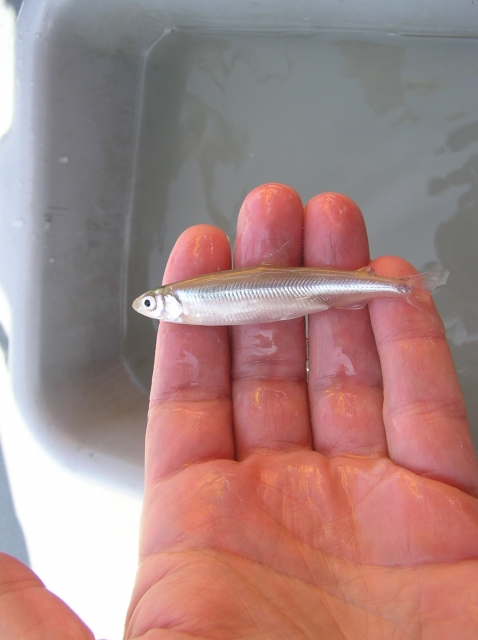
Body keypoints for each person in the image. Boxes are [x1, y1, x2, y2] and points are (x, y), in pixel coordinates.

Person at [1, 184, 478, 639]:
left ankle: (399, 289)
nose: (151, 308)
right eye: (151, 305)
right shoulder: (186, 301)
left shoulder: (186, 300)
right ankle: (397, 289)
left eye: (152, 304)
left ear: (170, 302)